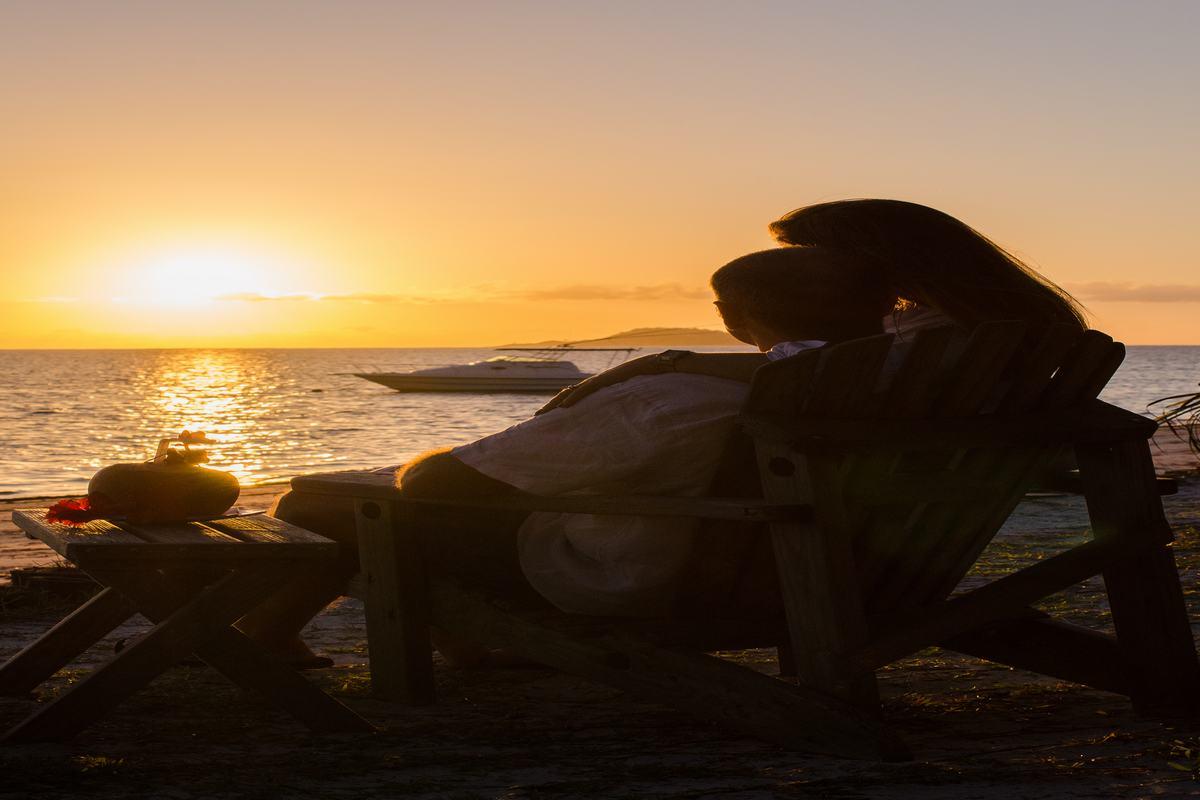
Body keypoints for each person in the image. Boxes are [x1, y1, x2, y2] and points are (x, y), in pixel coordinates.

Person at [237, 245, 890, 667]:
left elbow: (445, 483)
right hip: (826, 574)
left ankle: (265, 642)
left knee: (320, 500)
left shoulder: (672, 398)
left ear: (729, 317)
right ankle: (475, 651)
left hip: (636, 582)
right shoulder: (898, 389)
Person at [540, 199, 1087, 413]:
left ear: (874, 256)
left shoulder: (942, 338)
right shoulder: (1002, 329)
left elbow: (804, 370)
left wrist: (662, 361)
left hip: (844, 528)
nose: (809, 269)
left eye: (815, 254)